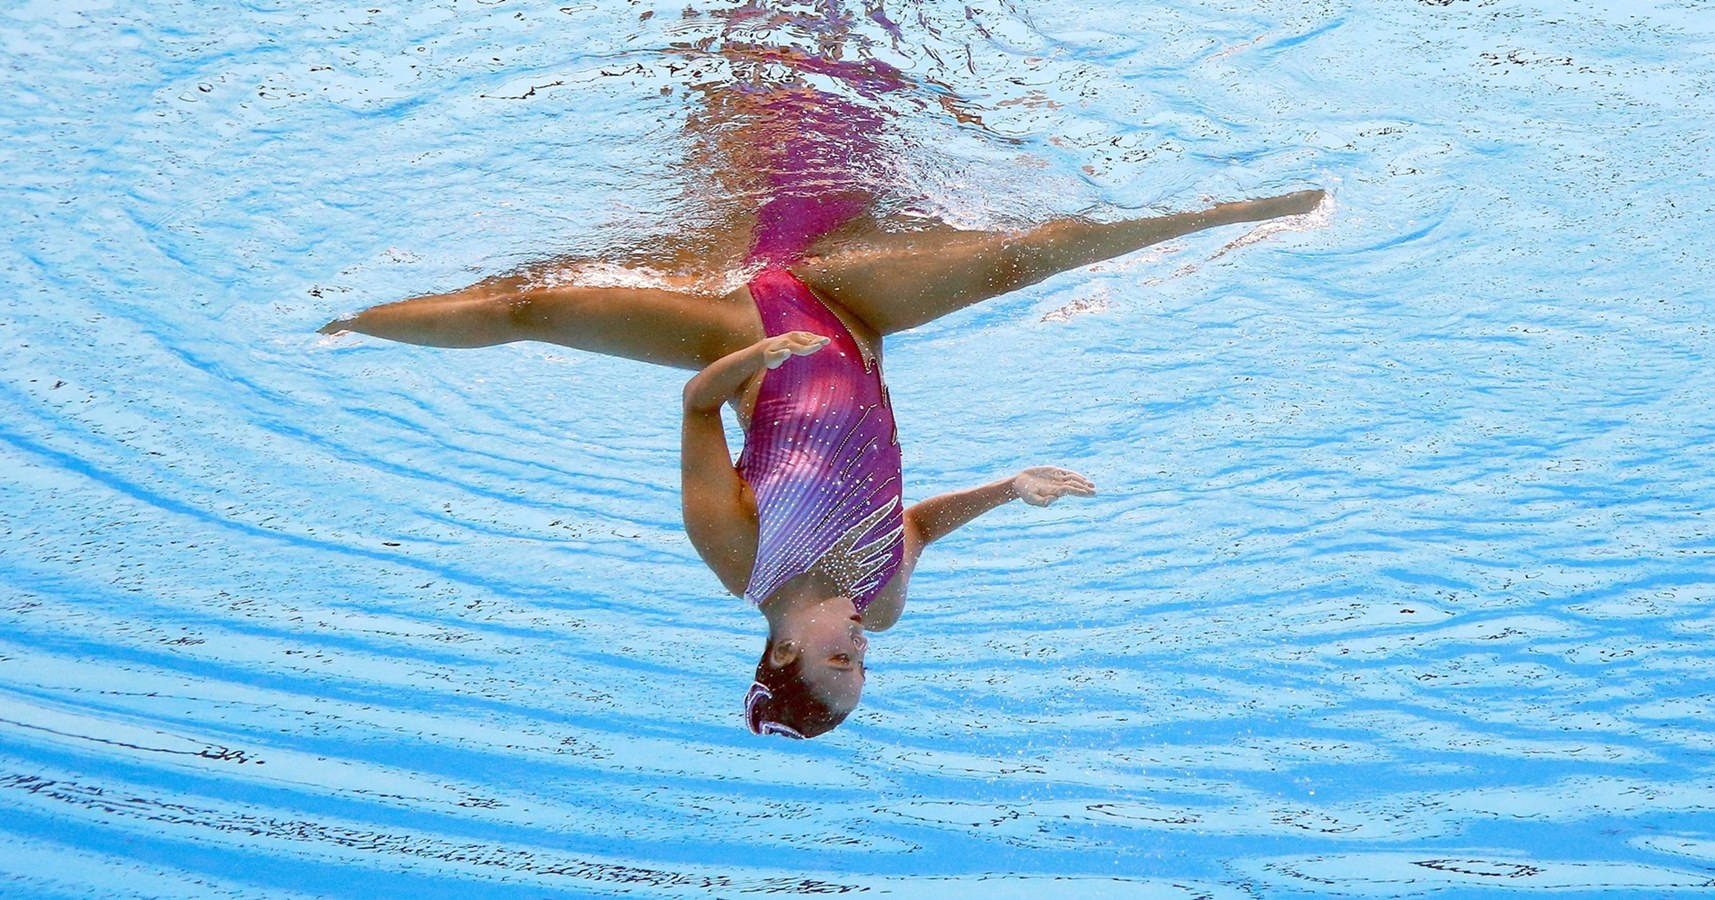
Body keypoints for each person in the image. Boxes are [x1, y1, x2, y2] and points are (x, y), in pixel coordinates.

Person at [319, 36, 1325, 738]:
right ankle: (1249, 208)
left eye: (836, 665)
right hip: (855, 316)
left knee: (524, 308)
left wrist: (748, 365)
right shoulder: (879, 604)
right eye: (859, 668)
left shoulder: (736, 554)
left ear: (779, 656)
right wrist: (1005, 491)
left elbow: (693, 408)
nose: (859, 650)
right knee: (1025, 258)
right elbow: (913, 528)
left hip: (747, 328)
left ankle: (343, 323)